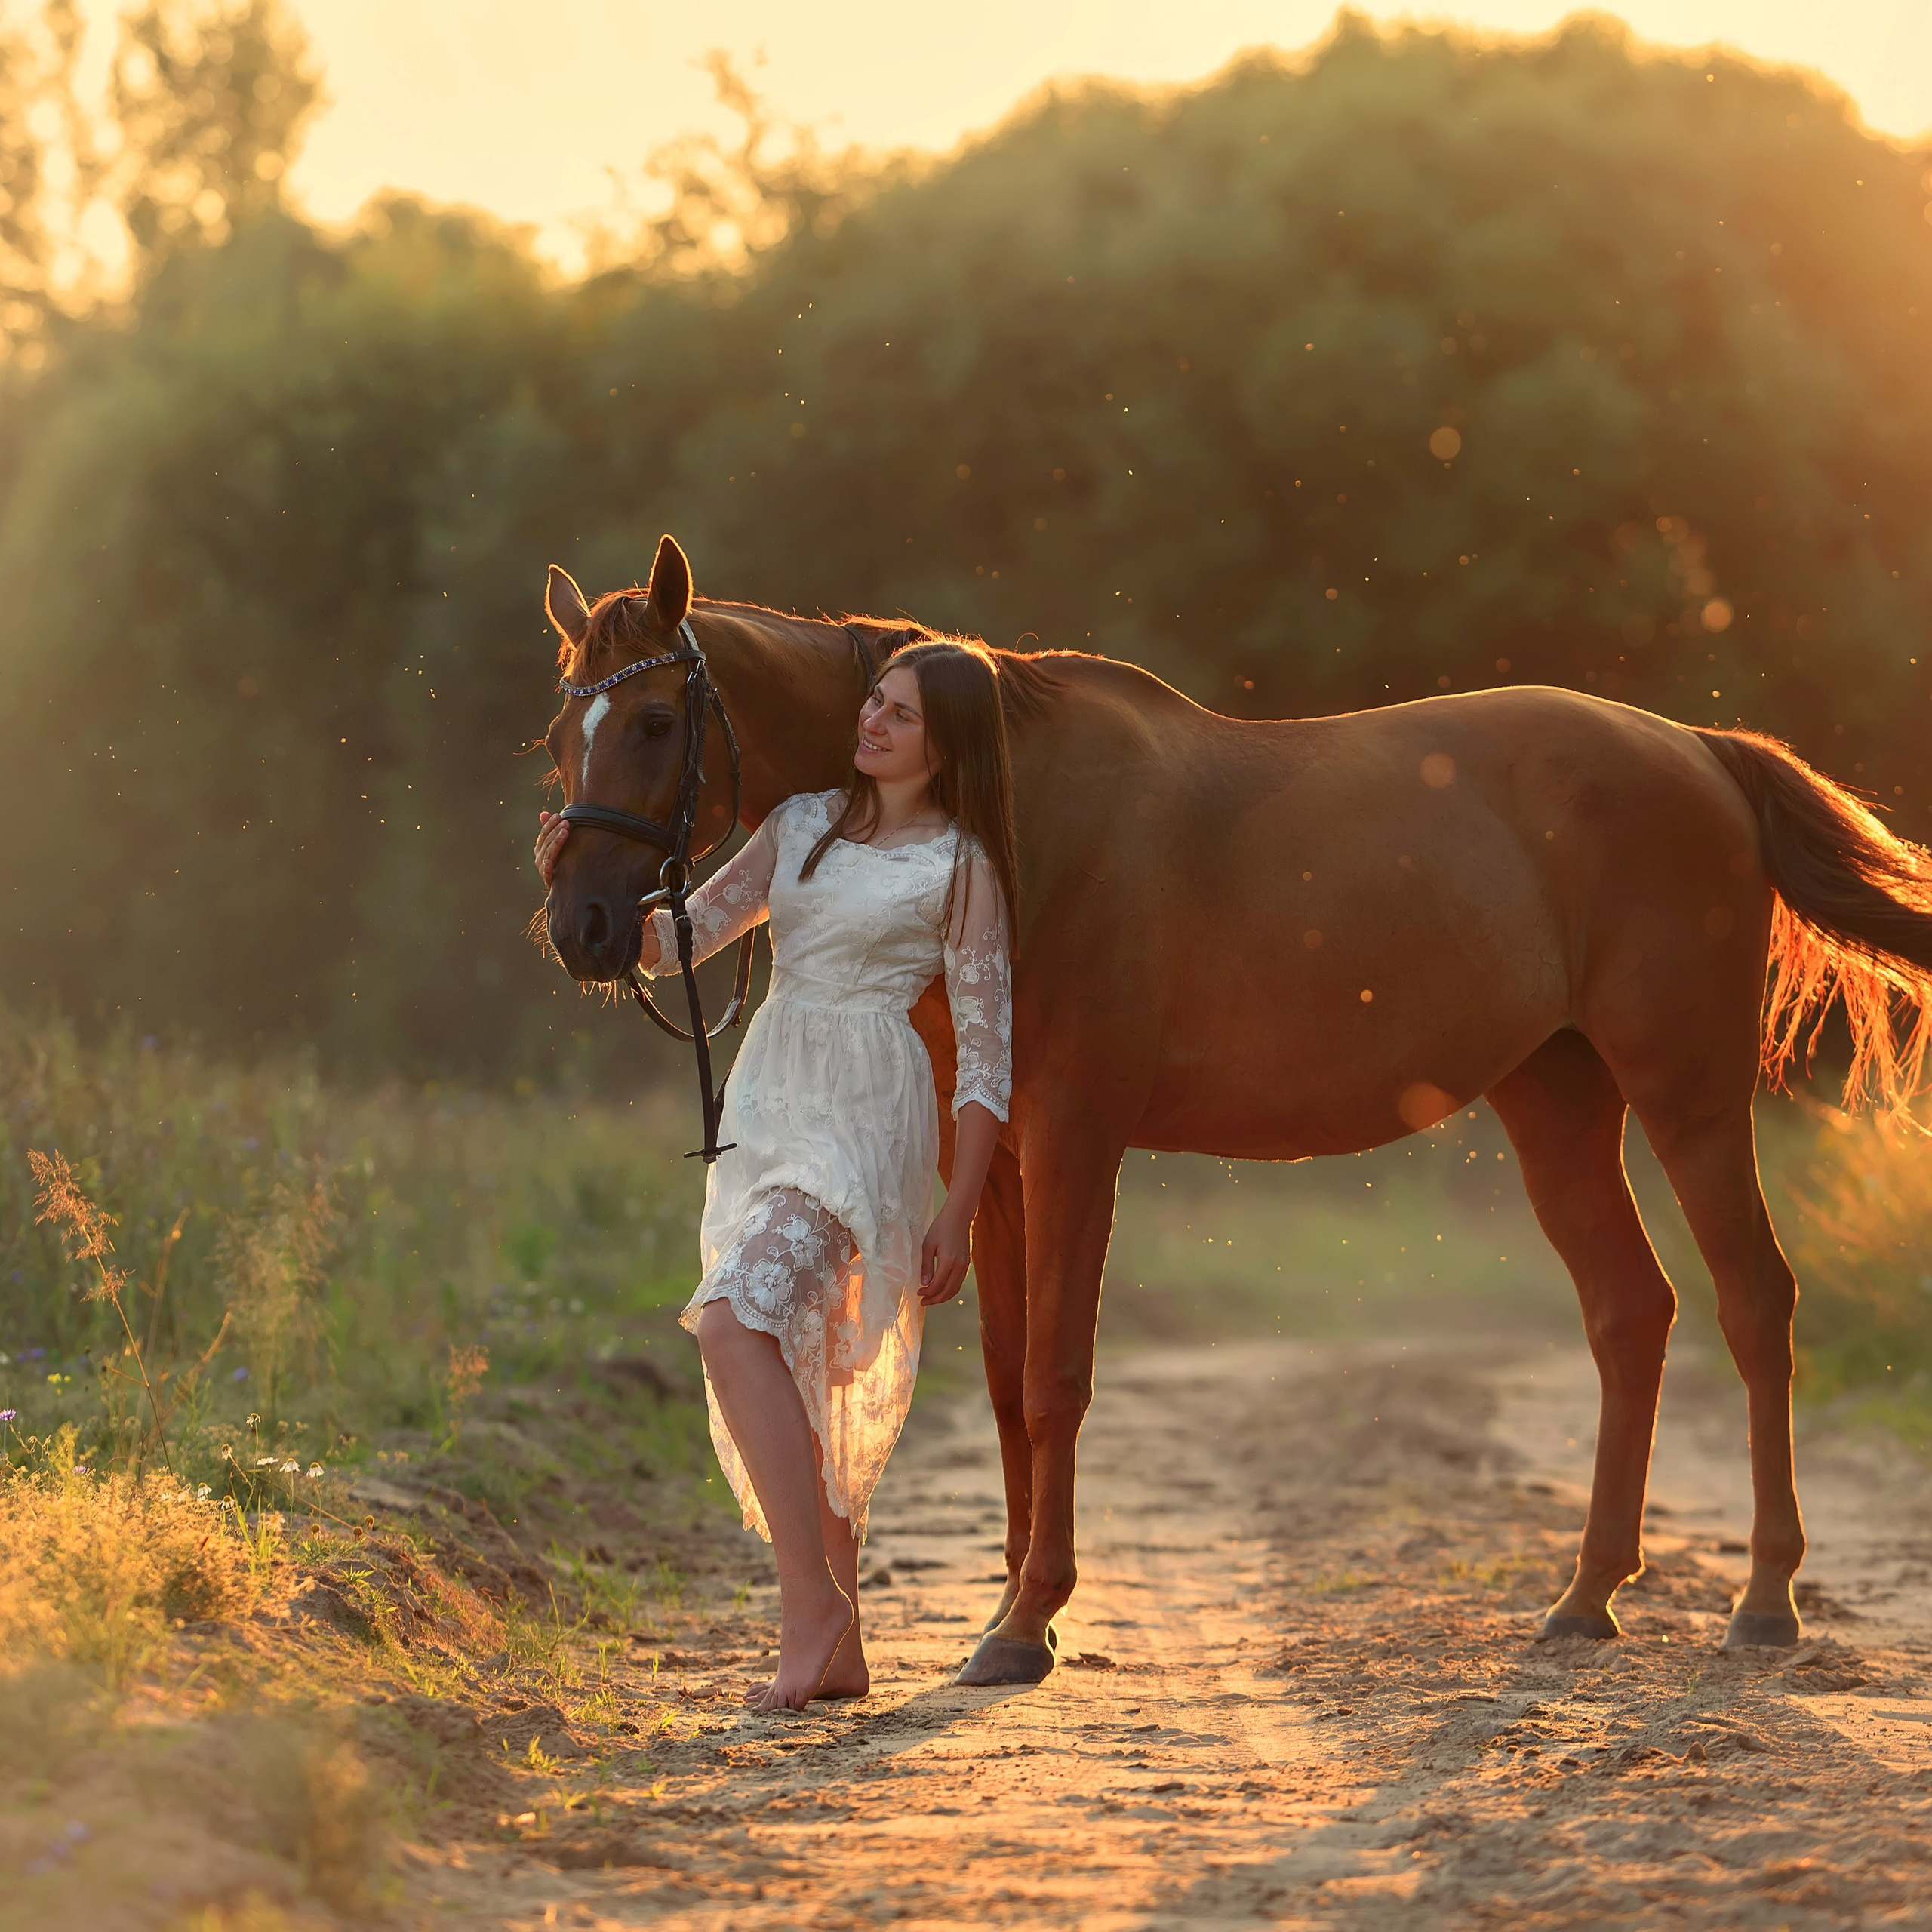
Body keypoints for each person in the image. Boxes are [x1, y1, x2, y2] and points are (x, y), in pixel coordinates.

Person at [534, 641, 1017, 1710]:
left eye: (900, 717)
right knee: (798, 1353)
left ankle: (811, 1605)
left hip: (867, 1111)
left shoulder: (963, 867)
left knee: (730, 1319)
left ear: (948, 747)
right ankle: (840, 1645)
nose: (872, 724)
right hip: (770, 1104)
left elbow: (985, 1060)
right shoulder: (797, 824)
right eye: (874, 703)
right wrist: (572, 871)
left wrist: (962, 1208)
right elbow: (676, 941)